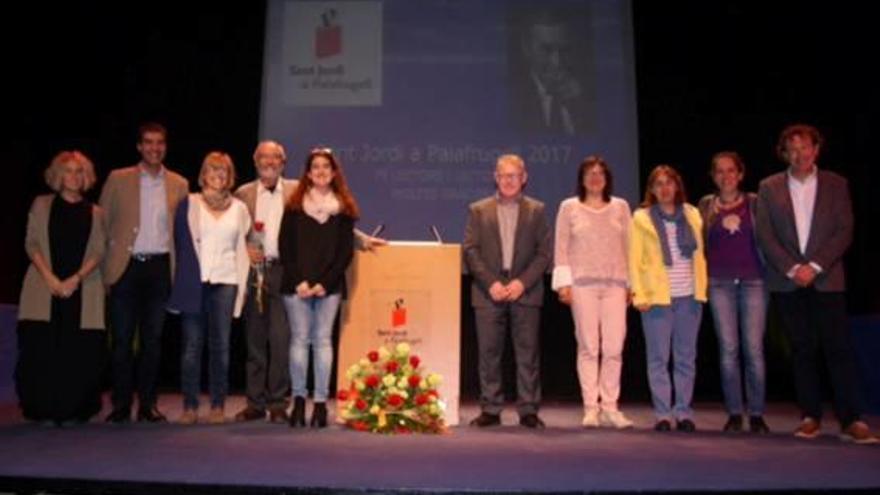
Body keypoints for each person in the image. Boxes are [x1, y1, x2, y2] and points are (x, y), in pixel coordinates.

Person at [233, 141, 382, 424]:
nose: (270, 162)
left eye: (275, 157)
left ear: (284, 162)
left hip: (305, 278)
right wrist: (245, 247)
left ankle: (289, 403)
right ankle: (268, 402)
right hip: (268, 275)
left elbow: (342, 240)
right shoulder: (249, 195)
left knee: (292, 340)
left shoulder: (305, 196)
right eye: (264, 157)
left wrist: (360, 244)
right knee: (262, 340)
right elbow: (241, 229)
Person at [756, 124, 877, 443]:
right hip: (788, 281)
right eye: (792, 149)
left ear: (816, 149)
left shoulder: (837, 184)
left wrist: (816, 265)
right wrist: (794, 267)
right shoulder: (769, 187)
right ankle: (810, 416)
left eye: (804, 147)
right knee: (801, 349)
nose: (799, 154)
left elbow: (844, 229)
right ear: (784, 153)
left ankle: (851, 418)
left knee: (839, 349)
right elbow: (765, 235)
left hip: (827, 279)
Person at [99, 122, 189, 423]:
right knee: (122, 339)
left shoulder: (179, 183)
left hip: (160, 269)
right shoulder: (118, 178)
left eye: (160, 143)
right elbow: (103, 224)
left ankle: (148, 404)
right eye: (148, 143)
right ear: (139, 146)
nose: (154, 148)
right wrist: (105, 270)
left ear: (166, 146)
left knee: (153, 340)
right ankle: (121, 404)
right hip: (125, 268)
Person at [15, 151, 107, 425]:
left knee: (78, 352)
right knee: (42, 350)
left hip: (81, 290)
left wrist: (74, 279)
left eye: (80, 171)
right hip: (44, 289)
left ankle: (75, 410)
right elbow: (31, 244)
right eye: (68, 171)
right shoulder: (41, 204)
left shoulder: (96, 212)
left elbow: (98, 250)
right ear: (57, 175)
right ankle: (42, 410)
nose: (74, 177)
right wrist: (52, 279)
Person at [463, 154, 552, 429]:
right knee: (489, 353)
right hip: (488, 290)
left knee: (527, 353)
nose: (509, 180)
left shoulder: (537, 210)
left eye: (514, 175)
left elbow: (543, 253)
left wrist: (521, 283)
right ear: (495, 177)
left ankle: (528, 409)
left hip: (524, 290)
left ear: (524, 178)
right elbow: (471, 250)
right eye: (503, 175)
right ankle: (490, 408)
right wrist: (491, 282)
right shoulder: (478, 210)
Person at [167, 152, 250, 424]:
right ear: (203, 175)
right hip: (194, 283)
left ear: (229, 177)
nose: (217, 176)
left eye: (223, 171)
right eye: (212, 171)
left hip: (226, 282)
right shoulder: (188, 204)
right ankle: (190, 406)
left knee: (221, 347)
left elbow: (242, 250)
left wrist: (242, 292)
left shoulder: (239, 208)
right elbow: (178, 247)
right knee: (191, 347)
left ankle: (217, 405)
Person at [279, 148, 359, 428]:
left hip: (329, 287)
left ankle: (321, 405)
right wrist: (301, 281)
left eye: (326, 166)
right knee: (300, 341)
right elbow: (284, 247)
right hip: (297, 285)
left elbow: (345, 253)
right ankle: (299, 402)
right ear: (308, 173)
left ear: (334, 172)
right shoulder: (294, 205)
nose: (321, 171)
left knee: (322, 342)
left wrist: (325, 283)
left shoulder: (344, 209)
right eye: (316, 167)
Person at [552, 156, 634, 429]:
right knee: (588, 347)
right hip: (582, 285)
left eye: (600, 173)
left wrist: (631, 284)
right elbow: (561, 247)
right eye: (590, 173)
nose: (595, 178)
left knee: (613, 347)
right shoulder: (569, 207)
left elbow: (630, 247)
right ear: (582, 178)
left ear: (607, 178)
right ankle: (591, 407)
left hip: (615, 285)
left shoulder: (621, 207)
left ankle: (610, 406)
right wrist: (563, 283)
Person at [629, 165, 707, 432]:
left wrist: (701, 291)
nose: (664, 189)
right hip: (657, 299)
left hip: (689, 296)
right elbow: (634, 259)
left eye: (669, 183)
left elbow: (700, 255)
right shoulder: (642, 218)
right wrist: (638, 292)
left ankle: (683, 412)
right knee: (658, 359)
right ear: (651, 189)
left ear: (677, 186)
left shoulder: (692, 214)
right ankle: (663, 413)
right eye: (658, 184)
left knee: (686, 358)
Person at [697, 152, 770, 434]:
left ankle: (758, 412)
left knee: (753, 349)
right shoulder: (705, 205)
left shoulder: (755, 203)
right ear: (713, 176)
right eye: (719, 171)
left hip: (754, 282)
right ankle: (734, 412)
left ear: (740, 174)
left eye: (731, 171)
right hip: (719, 284)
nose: (725, 176)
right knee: (728, 350)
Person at [511, 9, 592, 136]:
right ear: (526, 48)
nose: (557, 62)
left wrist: (580, 106)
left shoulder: (587, 96)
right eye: (546, 50)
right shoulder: (511, 99)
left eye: (564, 50)